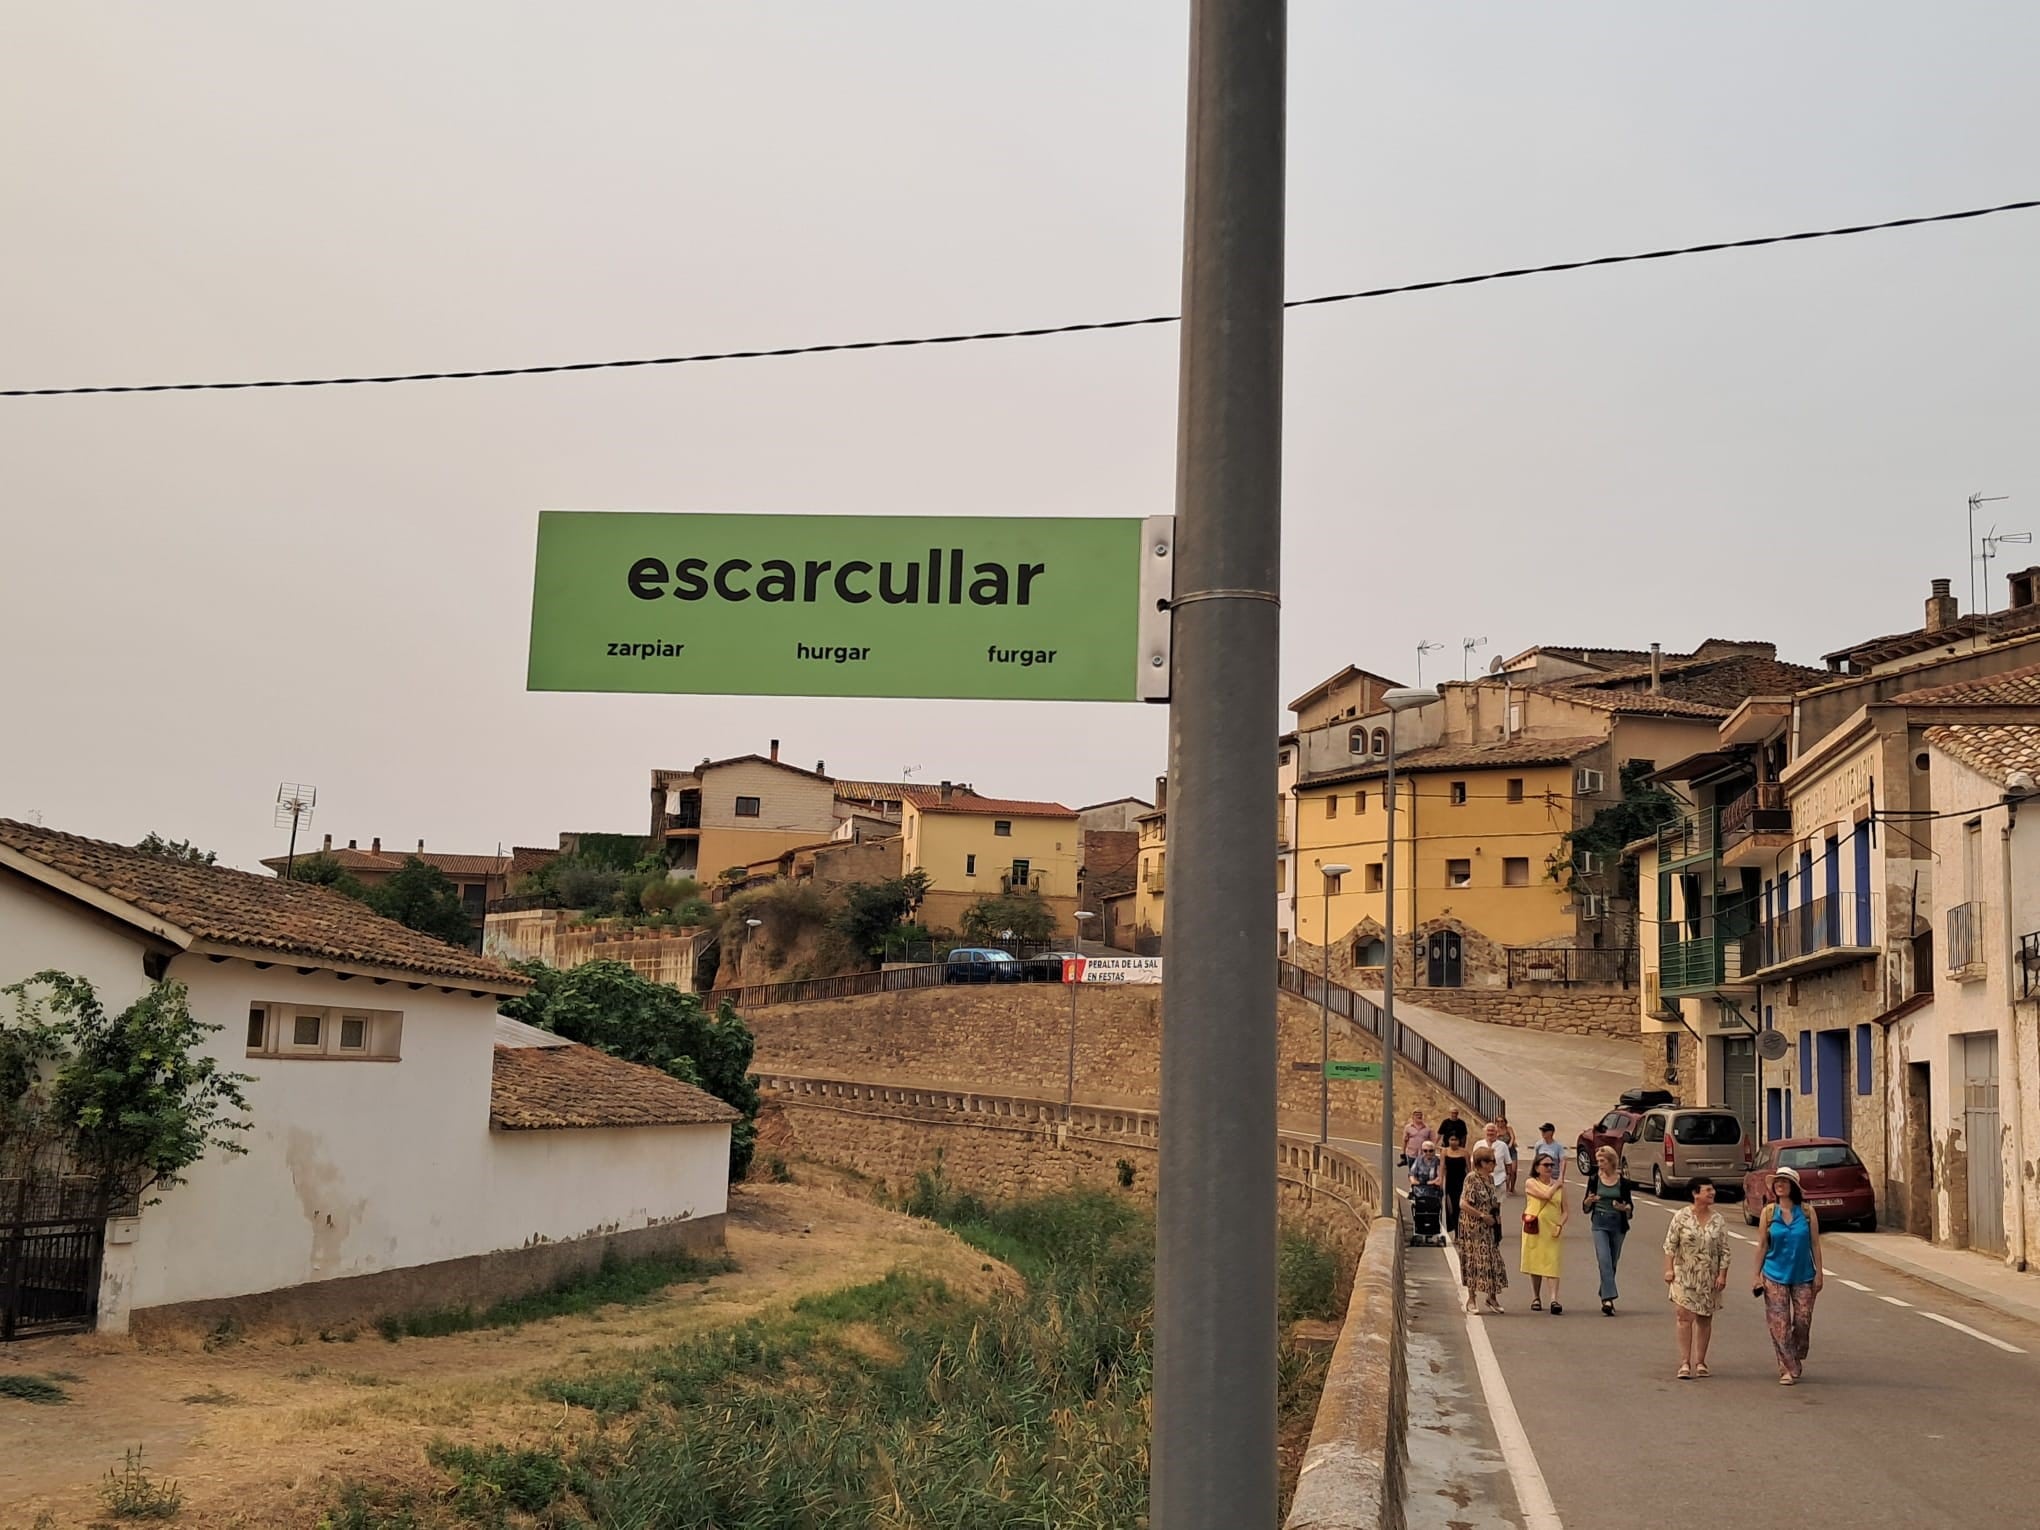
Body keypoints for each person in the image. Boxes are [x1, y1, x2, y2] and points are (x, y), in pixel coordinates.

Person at [1751, 1164, 1824, 1385]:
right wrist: (1756, 1275)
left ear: (1793, 1186)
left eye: (1784, 1182)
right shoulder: (1768, 1213)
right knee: (1779, 1323)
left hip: (1803, 1275)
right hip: (1774, 1274)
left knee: (1802, 1321)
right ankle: (1786, 1367)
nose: (1780, 1185)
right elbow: (1762, 1245)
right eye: (1777, 1182)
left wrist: (1819, 1273)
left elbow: (1815, 1244)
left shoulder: (1808, 1213)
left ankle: (1795, 1354)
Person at [1662, 1175, 1733, 1378]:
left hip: (1708, 1277)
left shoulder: (1718, 1220)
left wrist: (1722, 1275)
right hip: (1684, 1274)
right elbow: (1670, 1244)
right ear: (1695, 1193)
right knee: (1683, 1316)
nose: (1712, 1193)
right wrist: (1669, 1269)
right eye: (1707, 1190)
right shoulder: (1681, 1217)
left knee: (1704, 1318)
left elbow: (1724, 1250)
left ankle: (1700, 1361)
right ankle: (1685, 1362)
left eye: (1712, 1190)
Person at [1583, 1145, 1634, 1315]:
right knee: (1603, 1259)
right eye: (1598, 1161)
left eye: (1602, 1161)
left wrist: (1623, 1208)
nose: (1600, 1164)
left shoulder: (1623, 1182)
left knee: (1612, 1262)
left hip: (1617, 1224)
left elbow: (1629, 1208)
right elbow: (1585, 1206)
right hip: (1599, 1222)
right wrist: (1590, 1201)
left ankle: (1605, 1291)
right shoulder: (1594, 1179)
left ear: (1611, 1161)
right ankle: (1608, 1299)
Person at [1459, 1144, 1507, 1314]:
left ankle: (1492, 1297)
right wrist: (1481, 1215)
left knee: (1493, 1260)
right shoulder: (1472, 1178)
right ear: (1483, 1163)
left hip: (1489, 1226)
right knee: (1474, 1260)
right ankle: (1471, 1299)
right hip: (1473, 1228)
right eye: (1492, 1162)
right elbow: (1463, 1203)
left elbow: (1493, 1201)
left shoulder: (1491, 1179)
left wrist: (1496, 1217)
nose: (1494, 1165)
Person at [1520, 1152, 1566, 1314]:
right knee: (1535, 1262)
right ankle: (1536, 1297)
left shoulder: (1559, 1186)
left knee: (1552, 1262)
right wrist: (1557, 1184)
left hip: (1552, 1228)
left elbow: (1565, 1210)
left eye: (1551, 1165)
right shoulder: (1531, 1183)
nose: (1549, 1168)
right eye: (1546, 1165)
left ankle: (1554, 1299)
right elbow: (1546, 1195)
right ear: (1537, 1167)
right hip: (1535, 1228)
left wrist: (1560, 1224)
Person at [1438, 1108, 1470, 1234]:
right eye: (1451, 1140)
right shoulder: (1445, 1152)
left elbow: (1469, 1168)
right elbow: (1442, 1166)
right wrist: (1441, 1180)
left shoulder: (1464, 1152)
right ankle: (1454, 1229)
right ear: (1448, 1140)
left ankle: (1461, 1231)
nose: (1454, 1142)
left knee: (1461, 1206)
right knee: (1451, 1207)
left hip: (1462, 1181)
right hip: (1450, 1182)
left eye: (1455, 1140)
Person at [1483, 1122, 1514, 1197]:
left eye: (1492, 1131)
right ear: (1485, 1132)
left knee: (1497, 1205)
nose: (1490, 1133)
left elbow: (1508, 1162)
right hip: (1482, 1180)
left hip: (1499, 1179)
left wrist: (1508, 1176)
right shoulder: (1478, 1144)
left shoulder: (1503, 1145)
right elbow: (1473, 1162)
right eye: (1488, 1130)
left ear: (1496, 1133)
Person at [1496, 1115, 1520, 1193]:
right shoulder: (1496, 1130)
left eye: (1502, 1121)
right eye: (1498, 1121)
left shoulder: (1508, 1129)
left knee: (1513, 1170)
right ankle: (1506, 1187)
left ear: (1505, 1122)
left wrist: (1510, 1143)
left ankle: (1512, 1187)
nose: (1500, 1123)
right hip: (1502, 1152)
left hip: (1511, 1151)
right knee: (1506, 1171)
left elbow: (1513, 1137)